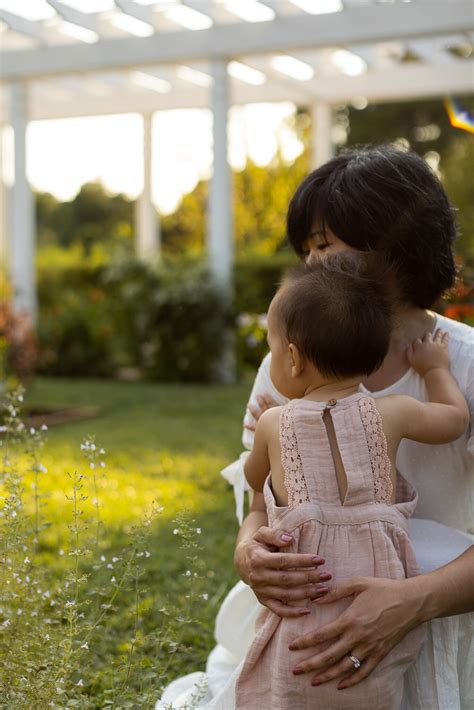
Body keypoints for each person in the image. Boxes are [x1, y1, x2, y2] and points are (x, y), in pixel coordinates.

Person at [156, 146, 474, 710]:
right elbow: (261, 503)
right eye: (305, 249)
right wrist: (250, 553)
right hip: (313, 631)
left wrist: (411, 601)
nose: (311, 266)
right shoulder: (290, 364)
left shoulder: (463, 364)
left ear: (395, 241)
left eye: (324, 244)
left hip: (448, 623)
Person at [236, 256, 468, 709]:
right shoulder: (395, 411)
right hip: (377, 597)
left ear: (293, 359)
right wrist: (434, 368)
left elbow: (253, 479)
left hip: (308, 594)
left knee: (294, 682)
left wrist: (272, 424)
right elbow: (455, 420)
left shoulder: (273, 421)